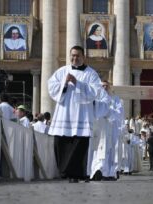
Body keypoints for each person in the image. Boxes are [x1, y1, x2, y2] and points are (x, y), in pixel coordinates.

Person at [48, 45, 102, 183]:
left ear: (83, 57)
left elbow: (95, 92)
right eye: (72, 55)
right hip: (64, 114)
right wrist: (64, 84)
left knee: (79, 145)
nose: (74, 58)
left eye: (77, 55)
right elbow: (52, 87)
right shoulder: (62, 71)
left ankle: (78, 174)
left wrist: (77, 82)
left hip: (81, 115)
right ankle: (64, 172)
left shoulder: (91, 74)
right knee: (61, 143)